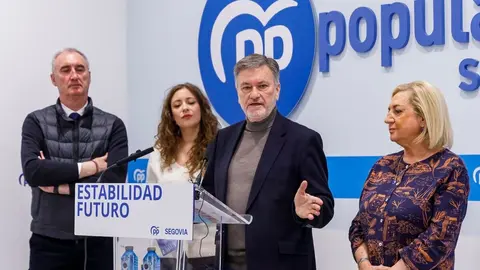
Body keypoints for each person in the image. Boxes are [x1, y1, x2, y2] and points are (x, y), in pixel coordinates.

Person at [201, 53, 335, 270]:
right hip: (226, 264)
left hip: (281, 264)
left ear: (277, 90)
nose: (254, 94)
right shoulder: (222, 139)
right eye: (246, 87)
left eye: (262, 85)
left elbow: (325, 206)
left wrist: (303, 211)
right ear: (237, 93)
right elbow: (207, 196)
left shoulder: (303, 140)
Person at [20, 48, 129, 270]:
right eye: (65, 70)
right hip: (49, 240)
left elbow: (113, 181)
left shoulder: (113, 125)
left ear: (89, 75)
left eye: (80, 69)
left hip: (99, 240)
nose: (74, 75)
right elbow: (34, 172)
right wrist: (91, 167)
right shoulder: (36, 121)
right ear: (54, 79)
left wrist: (61, 187)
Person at [348, 81, 470, 270]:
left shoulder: (450, 168)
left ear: (424, 118)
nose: (387, 119)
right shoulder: (382, 166)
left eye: (397, 111)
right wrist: (364, 263)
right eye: (388, 111)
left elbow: (441, 238)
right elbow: (359, 225)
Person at [146, 83, 219, 270]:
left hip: (206, 248)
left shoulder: (218, 148)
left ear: (201, 108)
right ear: (171, 115)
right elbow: (150, 200)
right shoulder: (159, 154)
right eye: (177, 105)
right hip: (169, 249)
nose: (184, 108)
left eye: (190, 102)